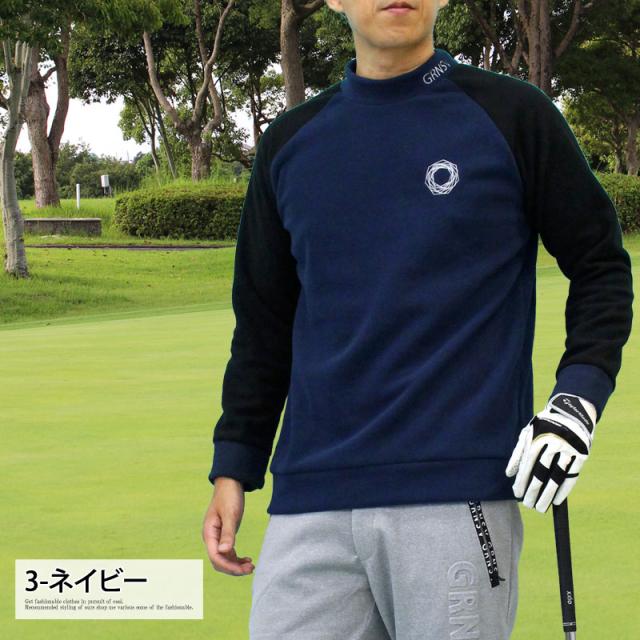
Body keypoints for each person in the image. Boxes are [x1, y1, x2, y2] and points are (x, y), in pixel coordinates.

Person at [202, 1, 634, 638]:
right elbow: (263, 324)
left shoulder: (513, 115)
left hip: (458, 494)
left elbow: (600, 265)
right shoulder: (289, 144)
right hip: (311, 500)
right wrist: (235, 463)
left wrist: (576, 402)